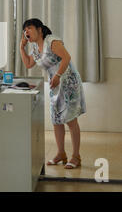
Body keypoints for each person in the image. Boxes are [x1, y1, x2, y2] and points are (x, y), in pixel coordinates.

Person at [20, 18, 86, 169]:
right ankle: (61, 154)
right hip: (55, 84)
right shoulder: (36, 48)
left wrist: (58, 76)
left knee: (70, 120)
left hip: (68, 81)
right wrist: (21, 47)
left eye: (29, 28)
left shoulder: (52, 41)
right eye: (25, 30)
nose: (26, 32)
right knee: (56, 120)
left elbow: (66, 58)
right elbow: (29, 64)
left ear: (40, 30)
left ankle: (76, 157)